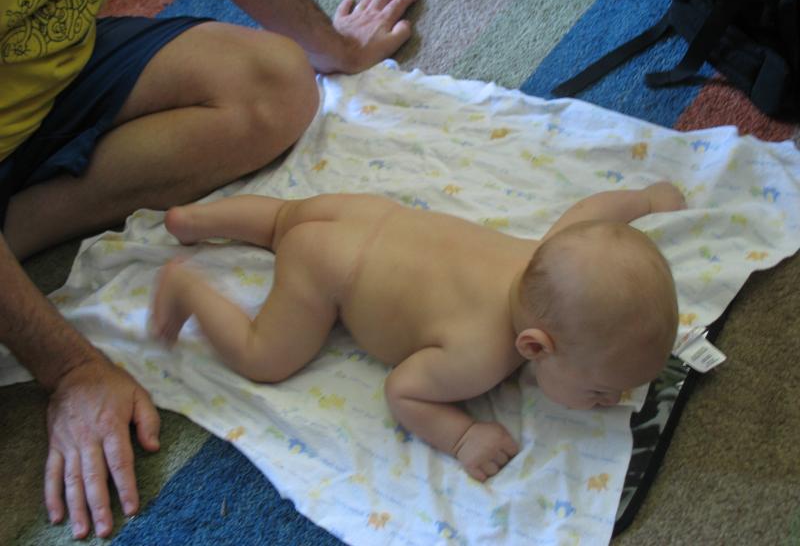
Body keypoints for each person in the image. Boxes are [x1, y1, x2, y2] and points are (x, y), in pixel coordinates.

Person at [0, 0, 419, 539]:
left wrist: (334, 48)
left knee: (279, 84)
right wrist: (71, 369)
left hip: (51, 77)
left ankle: (15, 230)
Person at [150, 181, 686, 482]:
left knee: (283, 219)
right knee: (263, 357)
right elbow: (402, 389)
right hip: (328, 269)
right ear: (534, 347)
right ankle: (187, 288)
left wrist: (645, 200)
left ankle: (193, 219)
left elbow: (594, 212)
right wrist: (462, 435)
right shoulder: (479, 358)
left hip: (362, 213)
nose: (613, 399)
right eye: (600, 390)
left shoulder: (553, 251)